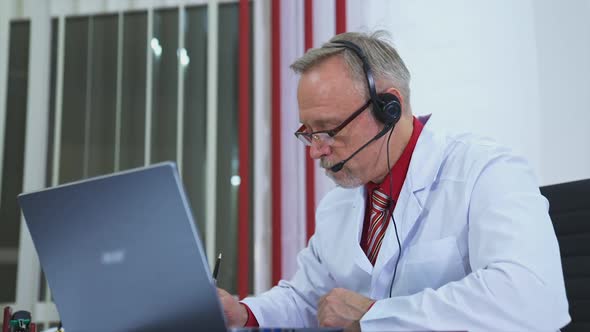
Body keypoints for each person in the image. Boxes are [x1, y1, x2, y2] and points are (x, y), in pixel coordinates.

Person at [217, 31, 570, 331]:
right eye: (308, 133)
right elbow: (308, 297)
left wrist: (375, 317)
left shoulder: (486, 171)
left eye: (328, 130)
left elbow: (532, 299)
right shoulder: (339, 203)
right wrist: (245, 312)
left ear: (390, 108)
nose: (315, 151)